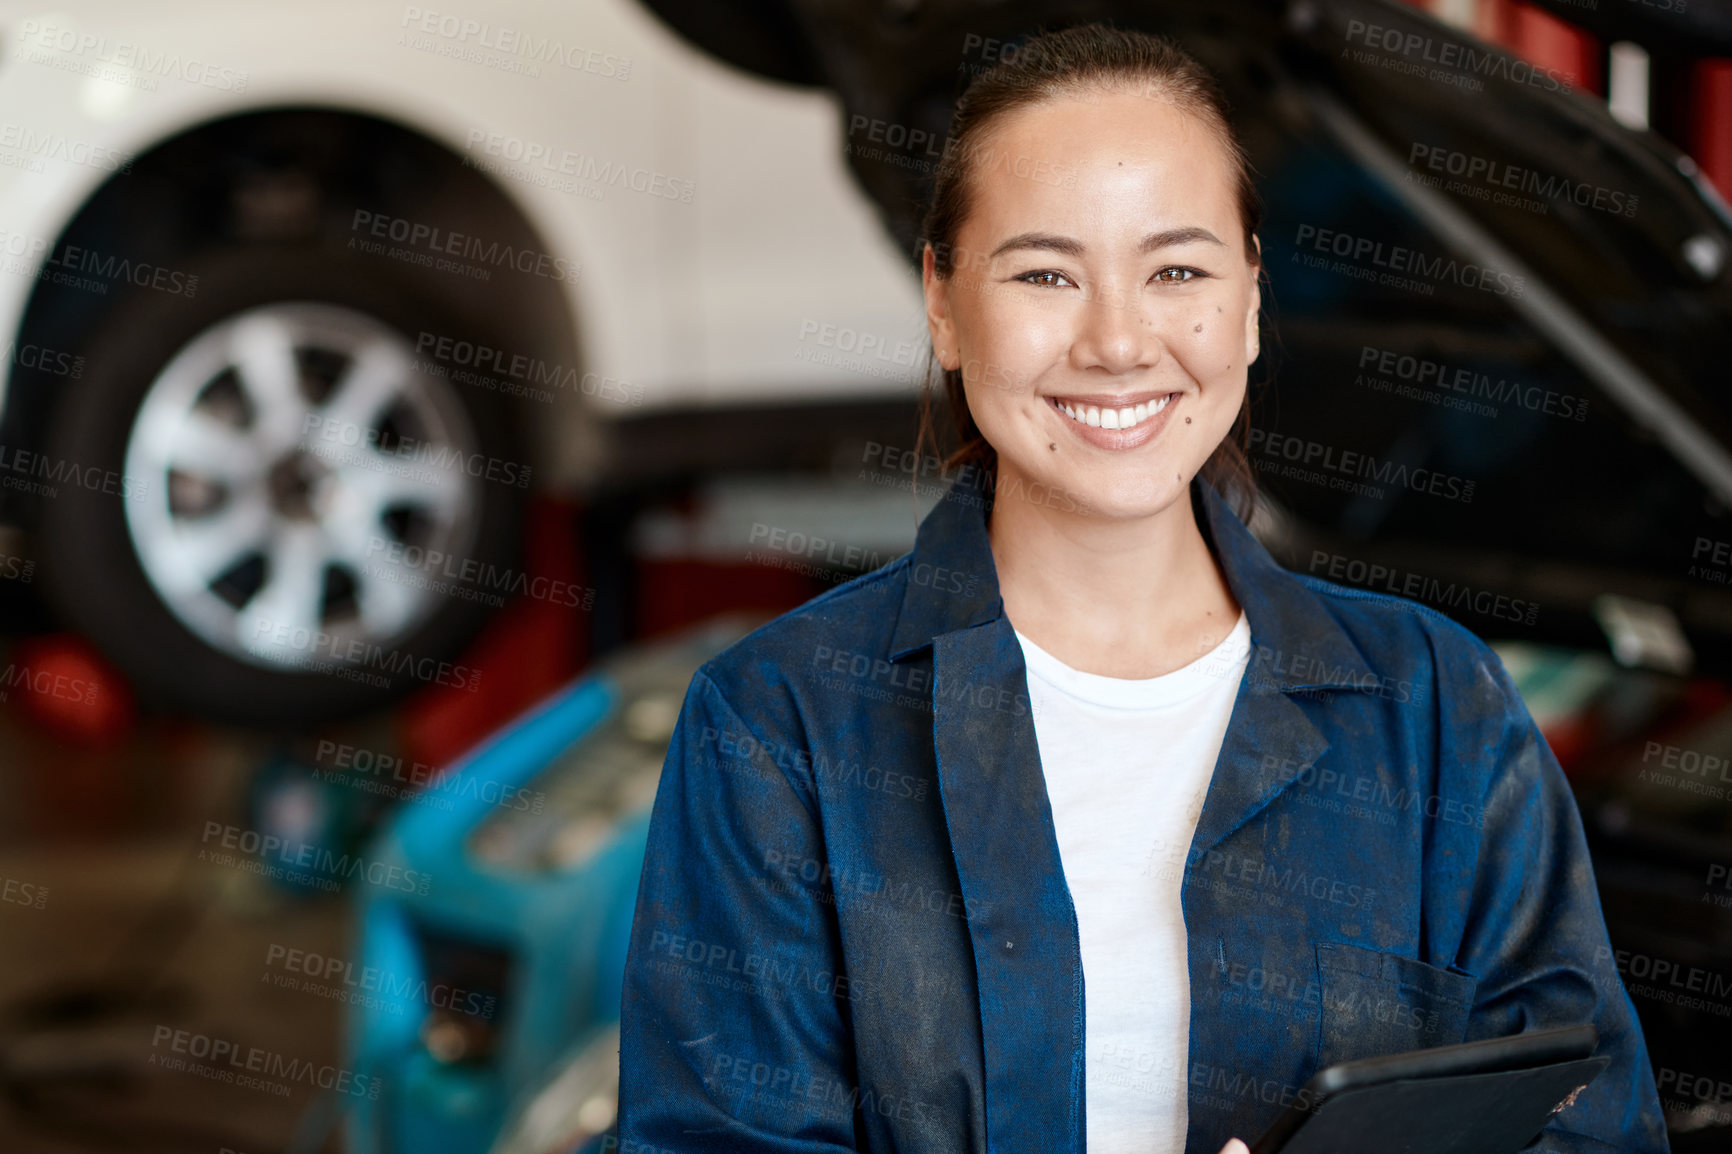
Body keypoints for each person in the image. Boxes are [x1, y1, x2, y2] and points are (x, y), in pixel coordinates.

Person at [616, 22, 1669, 1154]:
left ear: (1253, 297)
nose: (1118, 341)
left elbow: (1587, 1128)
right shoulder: (780, 725)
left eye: (1176, 269)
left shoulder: (1436, 707)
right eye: (1043, 273)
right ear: (942, 301)